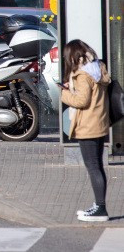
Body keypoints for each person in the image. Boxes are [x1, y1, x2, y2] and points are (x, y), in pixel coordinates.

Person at [60, 39, 111, 222]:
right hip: (99, 122)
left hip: (88, 126)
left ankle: (100, 209)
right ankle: (99, 206)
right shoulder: (97, 68)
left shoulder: (82, 75)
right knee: (97, 166)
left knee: (93, 167)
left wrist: (64, 94)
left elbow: (82, 101)